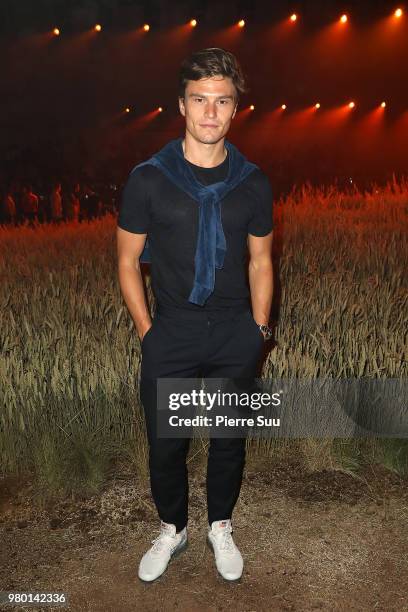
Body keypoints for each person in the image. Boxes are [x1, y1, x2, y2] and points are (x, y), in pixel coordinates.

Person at [117, 47, 274, 583]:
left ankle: (220, 525)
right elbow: (126, 261)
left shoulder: (252, 182)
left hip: (235, 332)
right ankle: (172, 528)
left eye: (222, 101)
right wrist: (148, 333)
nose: (211, 112)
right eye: (200, 99)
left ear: (235, 109)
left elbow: (261, 261)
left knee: (229, 439)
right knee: (167, 444)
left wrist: (258, 329)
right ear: (181, 105)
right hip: (173, 332)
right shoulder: (148, 179)